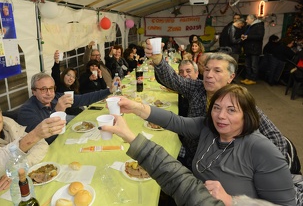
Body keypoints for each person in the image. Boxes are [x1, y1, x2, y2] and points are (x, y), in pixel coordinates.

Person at [100, 85, 295, 205]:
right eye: (216, 108)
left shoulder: (262, 149)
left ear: (247, 115)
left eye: (231, 110)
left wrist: (233, 202)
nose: (221, 116)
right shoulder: (208, 128)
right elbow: (174, 121)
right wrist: (135, 107)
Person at [145, 43, 288, 172]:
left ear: (231, 77)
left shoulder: (240, 102)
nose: (209, 75)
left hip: (221, 169)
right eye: (206, 70)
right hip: (191, 156)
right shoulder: (197, 88)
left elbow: (276, 139)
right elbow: (173, 80)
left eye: (217, 71)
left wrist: (262, 172)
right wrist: (158, 60)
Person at [17, 72, 118, 143]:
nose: (49, 93)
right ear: (34, 91)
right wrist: (57, 111)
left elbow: (84, 98)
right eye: (43, 89)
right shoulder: (27, 111)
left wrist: (109, 91)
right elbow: (45, 140)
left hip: (67, 139)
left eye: (51, 88)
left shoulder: (56, 97)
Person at [240, 14, 265, 85]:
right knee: (247, 64)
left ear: (252, 19)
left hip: (255, 49)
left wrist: (248, 36)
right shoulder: (248, 26)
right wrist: (243, 35)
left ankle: (253, 79)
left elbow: (260, 36)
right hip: (248, 48)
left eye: (247, 19)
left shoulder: (259, 26)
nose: (246, 20)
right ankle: (248, 77)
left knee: (254, 65)